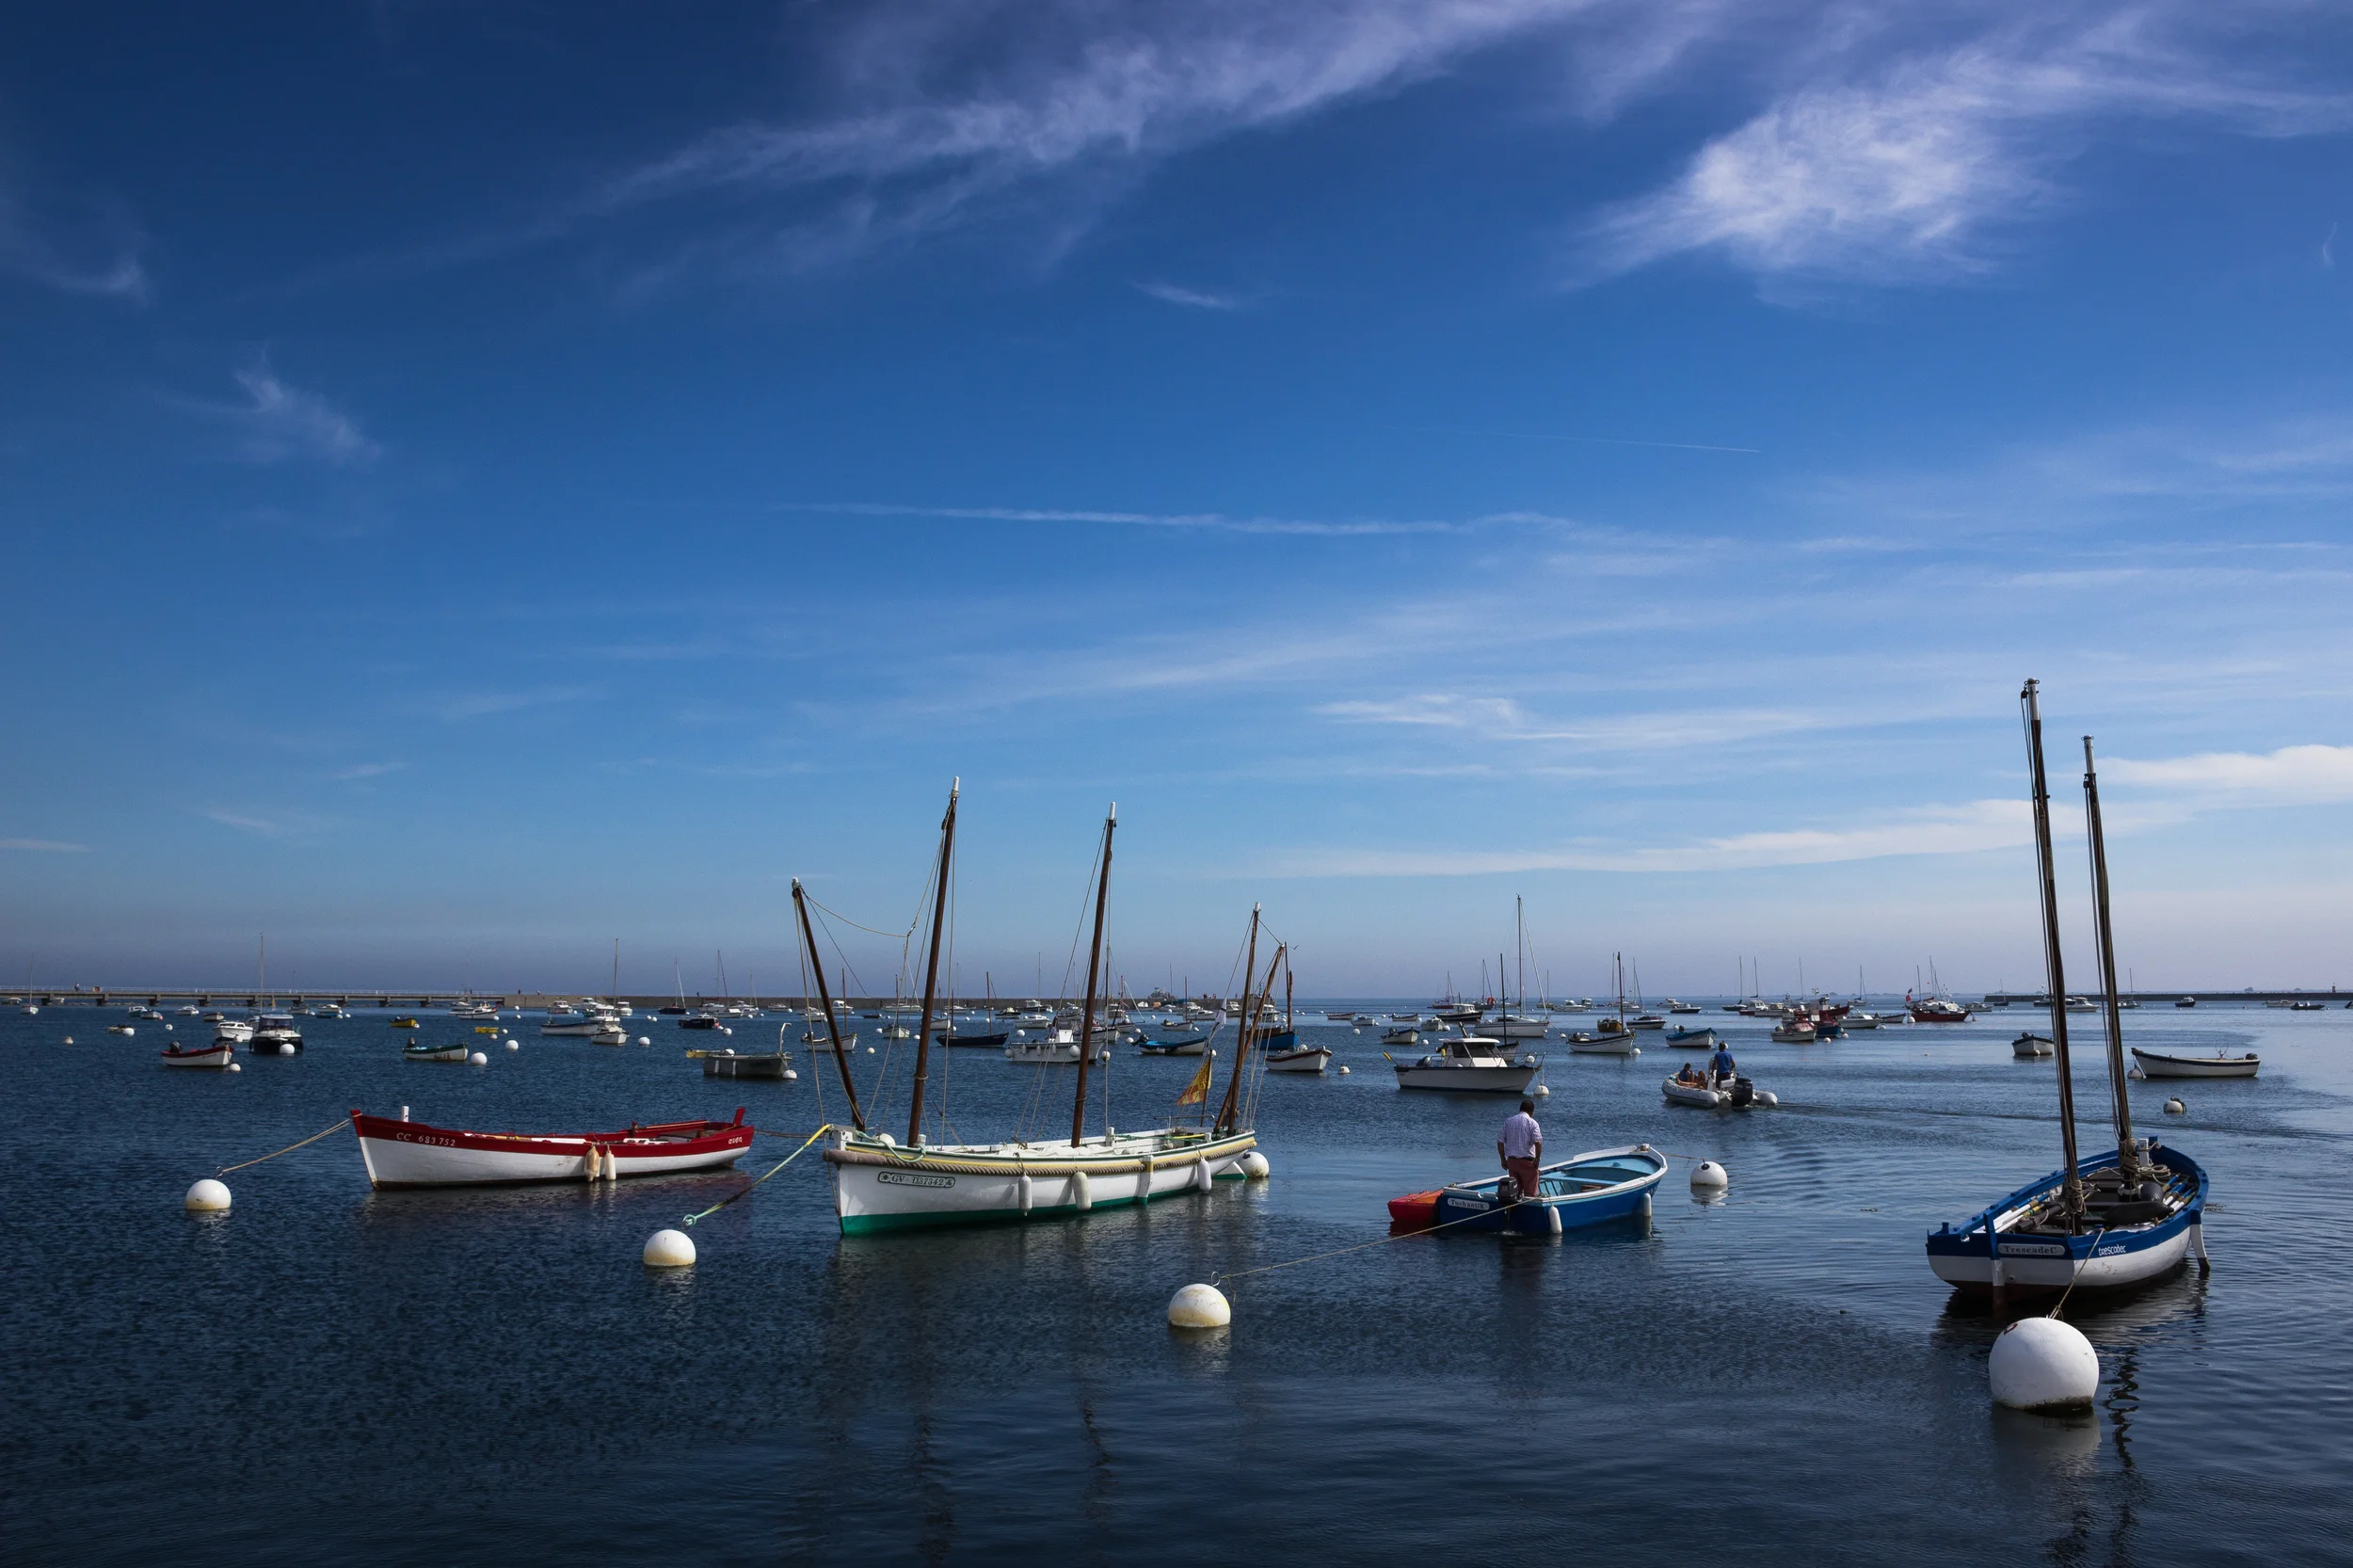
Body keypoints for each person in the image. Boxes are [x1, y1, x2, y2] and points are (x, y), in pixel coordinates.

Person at [1498, 1097, 1542, 1204]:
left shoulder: (1509, 1121)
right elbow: (1538, 1142)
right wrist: (1537, 1160)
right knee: (1530, 1193)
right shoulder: (1533, 1123)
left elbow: (1500, 1142)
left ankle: (1515, 1212)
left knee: (1515, 1192)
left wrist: (1503, 1160)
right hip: (1527, 1162)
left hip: (1512, 1162)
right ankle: (1529, 1213)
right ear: (1532, 1112)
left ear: (1520, 1109)